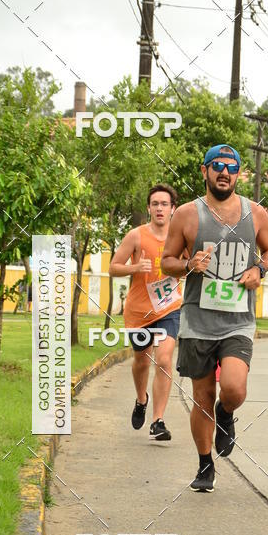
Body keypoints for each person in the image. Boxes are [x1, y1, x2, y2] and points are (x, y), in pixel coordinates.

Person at [161, 144, 268, 492]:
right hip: (197, 320)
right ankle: (204, 465)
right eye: (217, 166)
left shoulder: (255, 213)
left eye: (231, 167)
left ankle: (226, 413)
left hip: (238, 320)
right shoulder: (186, 214)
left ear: (239, 173)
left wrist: (259, 269)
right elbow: (166, 260)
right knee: (201, 395)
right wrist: (187, 265)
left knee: (233, 388)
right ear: (205, 171)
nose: (224, 172)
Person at [109, 184, 183, 441]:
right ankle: (141, 400)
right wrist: (134, 268)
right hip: (139, 312)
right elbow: (113, 267)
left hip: (169, 309)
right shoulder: (136, 236)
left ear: (173, 209)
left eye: (164, 204)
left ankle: (157, 421)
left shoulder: (180, 236)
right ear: (149, 208)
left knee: (163, 360)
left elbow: (189, 265)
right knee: (141, 360)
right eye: (155, 204)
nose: (160, 208)